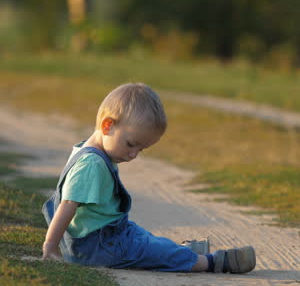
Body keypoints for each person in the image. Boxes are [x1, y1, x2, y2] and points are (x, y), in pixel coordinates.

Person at [41, 82, 256, 274]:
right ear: (108, 126)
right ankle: (213, 262)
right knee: (147, 249)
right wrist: (50, 246)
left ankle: (182, 251)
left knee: (147, 241)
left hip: (109, 236)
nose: (133, 154)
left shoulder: (86, 152)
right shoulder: (92, 164)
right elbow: (68, 204)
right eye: (131, 144)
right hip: (99, 248)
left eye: (140, 150)